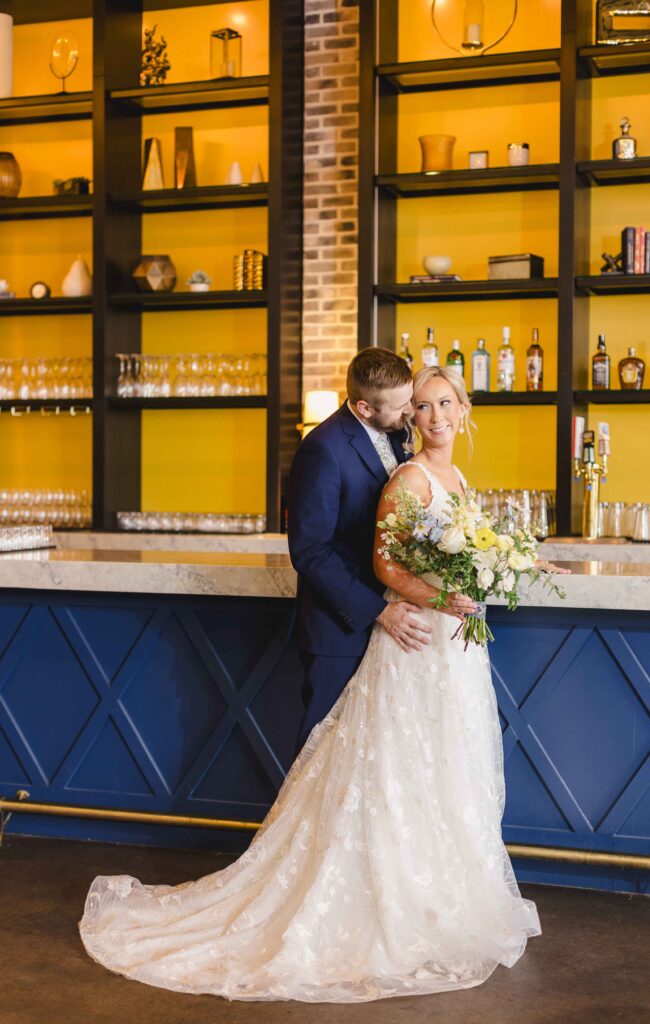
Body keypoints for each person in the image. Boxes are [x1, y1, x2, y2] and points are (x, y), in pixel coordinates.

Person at [79, 363, 568, 1003]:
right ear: (371, 409)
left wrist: (512, 560)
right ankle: (338, 900)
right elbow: (315, 550)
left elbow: (438, 540)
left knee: (429, 769)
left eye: (432, 404)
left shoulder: (414, 453)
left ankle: (427, 891)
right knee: (353, 778)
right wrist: (398, 604)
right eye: (412, 407)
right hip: (357, 631)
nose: (418, 417)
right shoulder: (333, 452)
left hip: (431, 643)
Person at [287, 347, 474, 753]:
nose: (412, 411)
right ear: (363, 407)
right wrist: (379, 610)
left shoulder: (396, 434)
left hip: (394, 626)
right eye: (403, 404)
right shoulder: (323, 449)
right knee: (323, 755)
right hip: (339, 629)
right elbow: (310, 550)